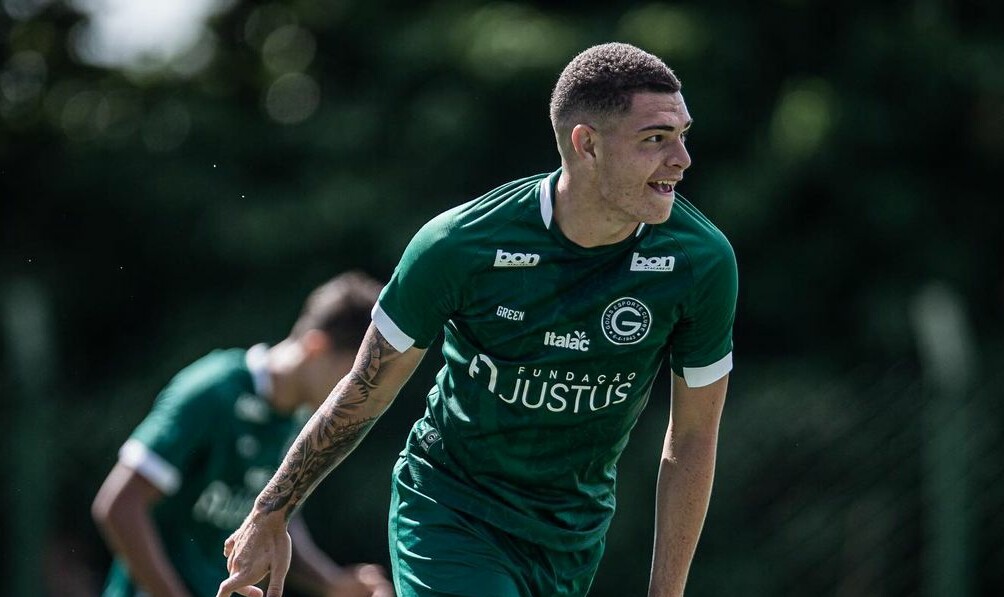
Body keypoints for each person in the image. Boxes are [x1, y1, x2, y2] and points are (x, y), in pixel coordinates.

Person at [217, 42, 738, 597]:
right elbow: (366, 390)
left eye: (682, 135)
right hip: (450, 512)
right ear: (586, 144)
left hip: (571, 538)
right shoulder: (459, 245)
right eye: (655, 139)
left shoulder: (700, 262)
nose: (682, 159)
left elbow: (692, 439)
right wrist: (271, 510)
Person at [92, 271, 396, 597]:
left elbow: (273, 517)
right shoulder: (214, 392)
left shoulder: (298, 419)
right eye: (353, 376)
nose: (359, 394)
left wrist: (332, 583)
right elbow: (119, 505)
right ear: (316, 347)